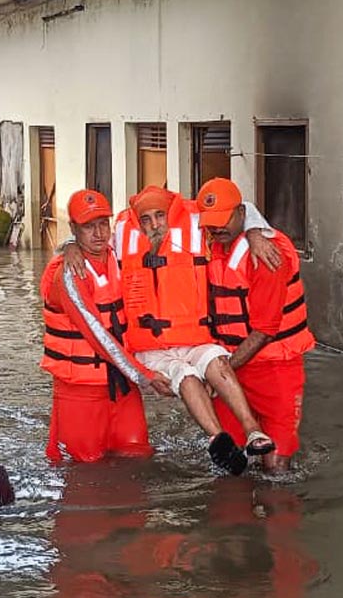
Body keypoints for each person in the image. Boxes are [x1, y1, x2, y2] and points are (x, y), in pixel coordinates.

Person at [116, 185, 275, 475]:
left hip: (194, 337)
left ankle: (253, 431)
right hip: (150, 347)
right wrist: (70, 247)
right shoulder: (119, 232)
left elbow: (241, 209)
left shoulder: (194, 221)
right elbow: (86, 238)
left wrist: (255, 232)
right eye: (146, 219)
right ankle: (218, 440)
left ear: (170, 214)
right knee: (185, 376)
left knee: (217, 359)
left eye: (159, 216)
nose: (154, 225)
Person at [41, 189, 173, 463]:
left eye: (103, 224)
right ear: (74, 228)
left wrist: (255, 227)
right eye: (89, 226)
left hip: (122, 385)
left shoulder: (119, 255)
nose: (99, 233)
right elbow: (97, 335)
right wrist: (143, 375)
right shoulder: (68, 273)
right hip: (81, 390)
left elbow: (181, 211)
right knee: (83, 471)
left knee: (137, 455)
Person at [197, 179, 315, 472]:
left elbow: (264, 331)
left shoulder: (267, 256)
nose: (216, 229)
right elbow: (154, 213)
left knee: (276, 466)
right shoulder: (213, 239)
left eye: (223, 221)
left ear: (240, 213)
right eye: (210, 223)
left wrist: (220, 374)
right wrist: (71, 244)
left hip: (275, 368)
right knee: (230, 463)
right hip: (230, 365)